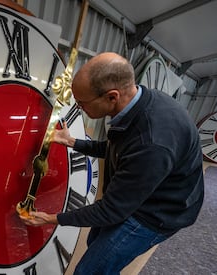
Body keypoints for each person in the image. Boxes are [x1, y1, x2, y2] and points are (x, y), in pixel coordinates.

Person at [20, 52, 204, 274]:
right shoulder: (137, 106)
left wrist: (52, 218)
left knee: (89, 271)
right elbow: (118, 149)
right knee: (96, 242)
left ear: (112, 97)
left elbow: (111, 210)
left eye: (82, 103)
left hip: (157, 214)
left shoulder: (151, 142)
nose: (79, 108)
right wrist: (72, 141)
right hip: (142, 193)